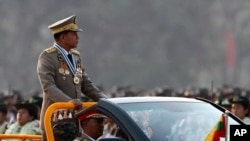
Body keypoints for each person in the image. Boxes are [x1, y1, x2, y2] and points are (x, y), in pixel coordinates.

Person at [37, 15, 108, 141]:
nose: (78, 38)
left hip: (74, 119)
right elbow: (48, 86)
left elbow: (86, 85)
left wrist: (107, 101)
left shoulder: (76, 57)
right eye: (74, 34)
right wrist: (68, 101)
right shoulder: (47, 57)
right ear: (63, 37)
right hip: (55, 120)